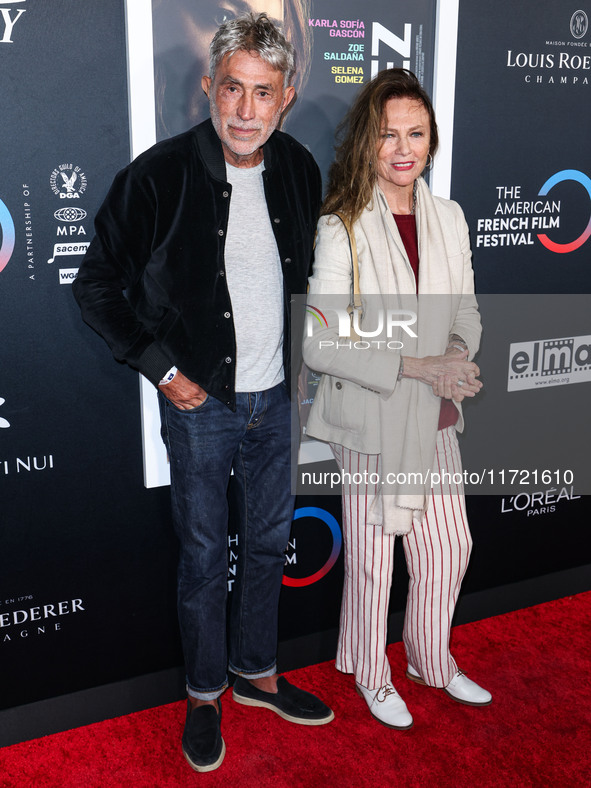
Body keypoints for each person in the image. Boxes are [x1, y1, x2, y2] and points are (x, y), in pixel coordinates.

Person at [73, 12, 332, 774]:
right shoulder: (156, 176)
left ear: (285, 97)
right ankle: (204, 692)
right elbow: (96, 287)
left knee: (263, 545)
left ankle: (256, 674)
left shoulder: (298, 169)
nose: (245, 111)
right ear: (208, 89)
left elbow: (305, 282)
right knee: (199, 555)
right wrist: (165, 370)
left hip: (278, 399)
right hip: (200, 405)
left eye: (262, 93)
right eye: (232, 90)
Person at [302, 68, 491, 730]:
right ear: (366, 142)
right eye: (388, 135)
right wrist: (417, 364)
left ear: (431, 139)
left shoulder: (447, 216)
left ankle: (430, 660)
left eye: (415, 133)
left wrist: (458, 357)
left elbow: (465, 309)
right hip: (373, 418)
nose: (403, 149)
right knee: (375, 560)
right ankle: (372, 673)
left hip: (433, 418)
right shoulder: (342, 226)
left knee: (450, 547)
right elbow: (320, 345)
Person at [153, 0, 312, 140]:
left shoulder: (298, 165)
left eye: (270, 35)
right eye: (224, 18)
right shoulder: (146, 171)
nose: (250, 61)